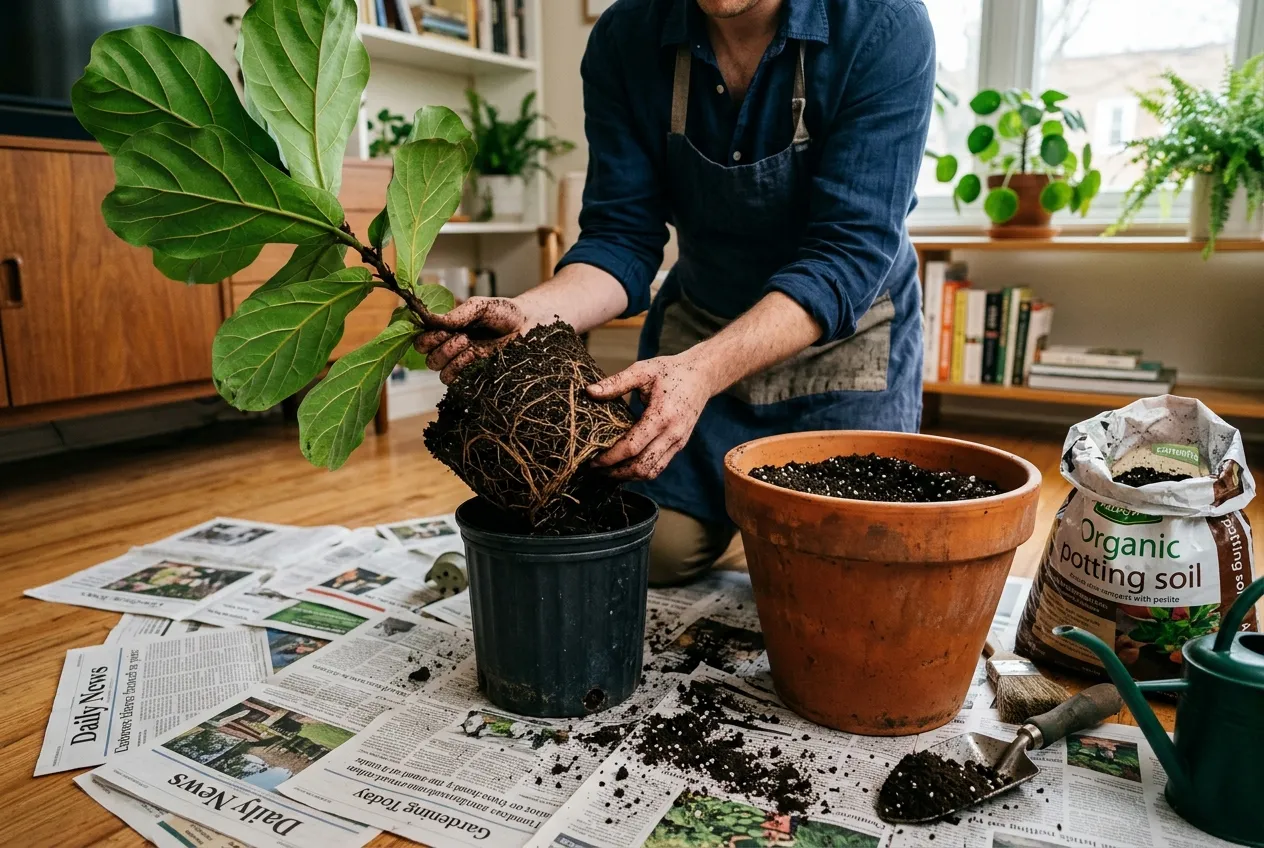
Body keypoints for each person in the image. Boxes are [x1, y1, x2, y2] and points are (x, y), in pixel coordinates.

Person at [419, 0, 935, 585]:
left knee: (838, 578)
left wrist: (703, 373)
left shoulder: (884, 25)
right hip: (699, 331)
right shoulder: (625, 37)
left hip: (842, 349)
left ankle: (761, 532)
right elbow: (621, 239)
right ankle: (742, 524)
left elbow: (846, 256)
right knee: (653, 551)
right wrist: (529, 313)